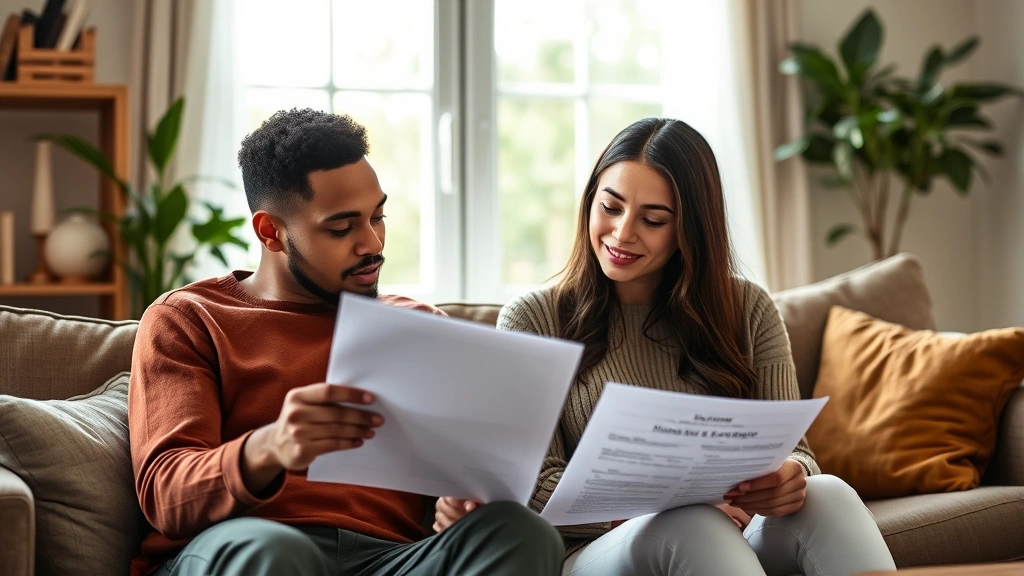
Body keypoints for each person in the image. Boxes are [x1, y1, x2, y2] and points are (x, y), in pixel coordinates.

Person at [128, 108, 563, 576]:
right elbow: (167, 495)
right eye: (341, 228)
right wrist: (270, 446)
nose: (372, 242)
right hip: (246, 550)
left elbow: (454, 488)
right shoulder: (190, 318)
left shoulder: (415, 324)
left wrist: (454, 507)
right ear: (270, 232)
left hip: (388, 560)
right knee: (271, 550)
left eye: (378, 216)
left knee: (520, 532)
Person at [496, 117, 897, 576]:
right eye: (610, 207)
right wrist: (662, 504)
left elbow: (798, 452)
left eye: (653, 220)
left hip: (732, 533)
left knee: (830, 493)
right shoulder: (531, 318)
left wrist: (790, 476)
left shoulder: (747, 308)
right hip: (599, 550)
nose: (623, 233)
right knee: (689, 523)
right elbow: (529, 482)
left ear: (690, 230)